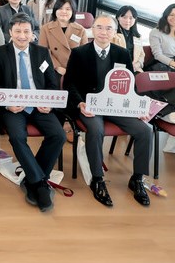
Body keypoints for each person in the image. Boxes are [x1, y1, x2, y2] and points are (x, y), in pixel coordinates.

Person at [63, 15, 152, 207]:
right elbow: (69, 84)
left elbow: (130, 85)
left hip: (116, 105)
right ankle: (97, 179)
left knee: (145, 130)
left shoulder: (122, 53)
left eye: (109, 28)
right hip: (90, 105)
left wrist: (137, 107)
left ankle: (137, 178)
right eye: (99, 28)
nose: (104, 32)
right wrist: (80, 104)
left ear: (114, 32)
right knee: (96, 130)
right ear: (93, 30)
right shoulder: (79, 53)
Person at [0, 13, 65, 212]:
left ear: (32, 33)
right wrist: (7, 105)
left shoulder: (42, 53)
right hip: (13, 106)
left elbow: (52, 83)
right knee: (17, 137)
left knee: (59, 135)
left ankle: (33, 180)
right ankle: (40, 183)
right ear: (10, 32)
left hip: (39, 105)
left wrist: (49, 103)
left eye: (26, 31)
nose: (22, 36)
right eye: (18, 31)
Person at [38, 0, 87, 76]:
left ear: (73, 11)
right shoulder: (45, 29)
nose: (64, 11)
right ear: (55, 11)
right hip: (52, 67)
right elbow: (42, 52)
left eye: (68, 9)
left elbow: (85, 53)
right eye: (60, 8)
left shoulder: (81, 30)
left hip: (74, 68)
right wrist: (57, 67)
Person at [112, 5, 145, 73]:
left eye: (131, 18)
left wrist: (138, 64)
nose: (127, 20)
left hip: (134, 68)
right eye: (124, 17)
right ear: (118, 18)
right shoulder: (113, 33)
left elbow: (142, 54)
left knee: (143, 79)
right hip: (117, 68)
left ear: (135, 19)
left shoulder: (137, 36)